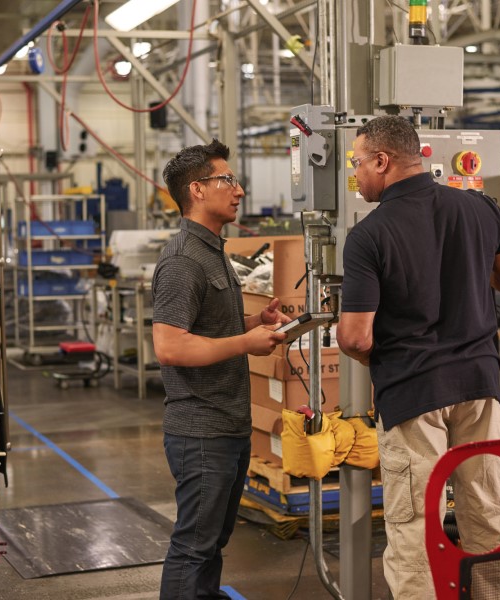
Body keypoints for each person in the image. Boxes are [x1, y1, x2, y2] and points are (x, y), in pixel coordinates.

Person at [336, 116, 500, 600]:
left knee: (414, 523)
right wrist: (469, 269)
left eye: (357, 163)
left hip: (413, 394)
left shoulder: (369, 235)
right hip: (480, 387)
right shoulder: (479, 207)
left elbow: (356, 338)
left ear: (382, 162)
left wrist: (370, 354)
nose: (355, 175)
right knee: (488, 511)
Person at [152, 138, 290, 600]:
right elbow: (170, 347)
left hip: (228, 424)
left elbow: (206, 328)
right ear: (196, 189)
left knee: (211, 545)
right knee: (194, 547)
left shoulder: (214, 251)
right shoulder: (182, 260)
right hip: (201, 430)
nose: (239, 189)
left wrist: (254, 324)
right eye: (226, 180)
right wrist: (245, 342)